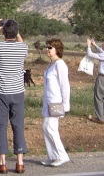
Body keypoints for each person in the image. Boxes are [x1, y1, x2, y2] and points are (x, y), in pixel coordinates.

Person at [0, 19, 27, 174]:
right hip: (18, 93)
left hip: (1, 93)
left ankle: (3, 163)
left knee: (1, 126)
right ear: (16, 33)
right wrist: (15, 31)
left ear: (3, 32)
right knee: (18, 125)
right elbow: (20, 42)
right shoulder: (23, 48)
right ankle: (20, 163)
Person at [41, 39, 71, 167]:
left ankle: (61, 156)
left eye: (50, 47)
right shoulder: (51, 65)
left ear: (57, 50)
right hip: (48, 101)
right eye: (47, 47)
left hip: (56, 102)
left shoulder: (60, 65)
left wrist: (65, 104)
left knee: (50, 127)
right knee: (46, 128)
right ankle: (53, 156)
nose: (47, 49)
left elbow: (65, 86)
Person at [86, 38, 104, 124]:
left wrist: (89, 45)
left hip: (102, 78)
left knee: (98, 97)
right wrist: (95, 45)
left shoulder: (103, 55)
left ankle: (100, 118)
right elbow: (101, 51)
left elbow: (90, 54)